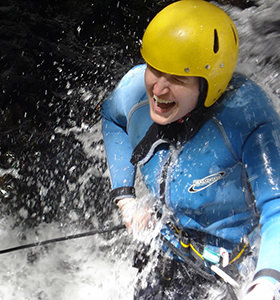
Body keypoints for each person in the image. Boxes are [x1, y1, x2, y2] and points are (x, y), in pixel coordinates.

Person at [101, 0, 280, 299]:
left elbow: (277, 207)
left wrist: (266, 282)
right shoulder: (134, 91)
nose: (158, 90)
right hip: (168, 245)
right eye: (155, 70)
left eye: (176, 78)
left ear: (209, 83)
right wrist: (125, 200)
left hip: (233, 265)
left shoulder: (250, 118)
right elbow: (111, 117)